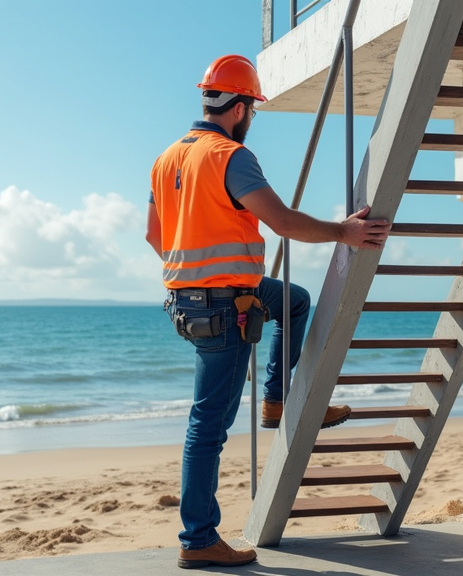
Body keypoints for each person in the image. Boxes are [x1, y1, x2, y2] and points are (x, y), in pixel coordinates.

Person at [146, 54, 390, 570]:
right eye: (252, 108)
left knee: (293, 300)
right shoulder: (229, 155)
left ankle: (276, 399)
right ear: (238, 108)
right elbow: (280, 221)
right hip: (224, 308)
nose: (251, 118)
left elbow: (154, 237)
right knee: (207, 425)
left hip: (188, 303)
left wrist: (200, 274)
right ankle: (198, 540)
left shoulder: (167, 158)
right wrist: (342, 232)